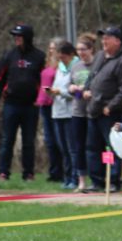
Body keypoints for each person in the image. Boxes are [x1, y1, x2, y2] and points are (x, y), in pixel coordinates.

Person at [83, 26, 122, 192]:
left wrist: (111, 106)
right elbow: (92, 76)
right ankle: (97, 181)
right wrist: (86, 89)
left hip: (111, 112)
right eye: (103, 37)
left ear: (117, 41)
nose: (103, 41)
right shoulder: (99, 56)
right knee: (92, 147)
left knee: (113, 146)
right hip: (94, 109)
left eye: (108, 38)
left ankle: (113, 181)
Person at [0, 24, 46, 181]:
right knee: (8, 139)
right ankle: (3, 172)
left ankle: (28, 173)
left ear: (27, 38)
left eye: (19, 36)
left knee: (29, 140)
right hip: (11, 104)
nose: (16, 39)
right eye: (14, 36)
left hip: (31, 106)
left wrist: (41, 99)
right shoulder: (9, 55)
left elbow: (45, 80)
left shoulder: (39, 56)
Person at [45, 39, 82, 189]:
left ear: (70, 55)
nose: (61, 60)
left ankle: (75, 178)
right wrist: (52, 92)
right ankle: (67, 178)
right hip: (57, 113)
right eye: (59, 58)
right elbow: (56, 87)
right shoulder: (60, 68)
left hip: (70, 113)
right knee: (63, 149)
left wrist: (62, 92)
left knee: (72, 148)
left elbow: (78, 93)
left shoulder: (77, 67)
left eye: (63, 57)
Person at [68, 34, 97, 192]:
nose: (80, 52)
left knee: (92, 147)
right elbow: (70, 85)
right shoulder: (75, 66)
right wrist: (72, 89)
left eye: (83, 49)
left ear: (91, 49)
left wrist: (91, 92)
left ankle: (97, 180)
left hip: (93, 112)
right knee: (78, 147)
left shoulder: (98, 65)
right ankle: (81, 182)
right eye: (78, 49)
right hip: (77, 111)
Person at [35, 41, 66, 184]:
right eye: (50, 48)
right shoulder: (46, 63)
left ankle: (64, 171)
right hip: (44, 104)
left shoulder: (61, 65)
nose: (52, 50)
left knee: (60, 140)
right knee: (49, 141)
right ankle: (54, 172)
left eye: (55, 48)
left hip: (56, 104)